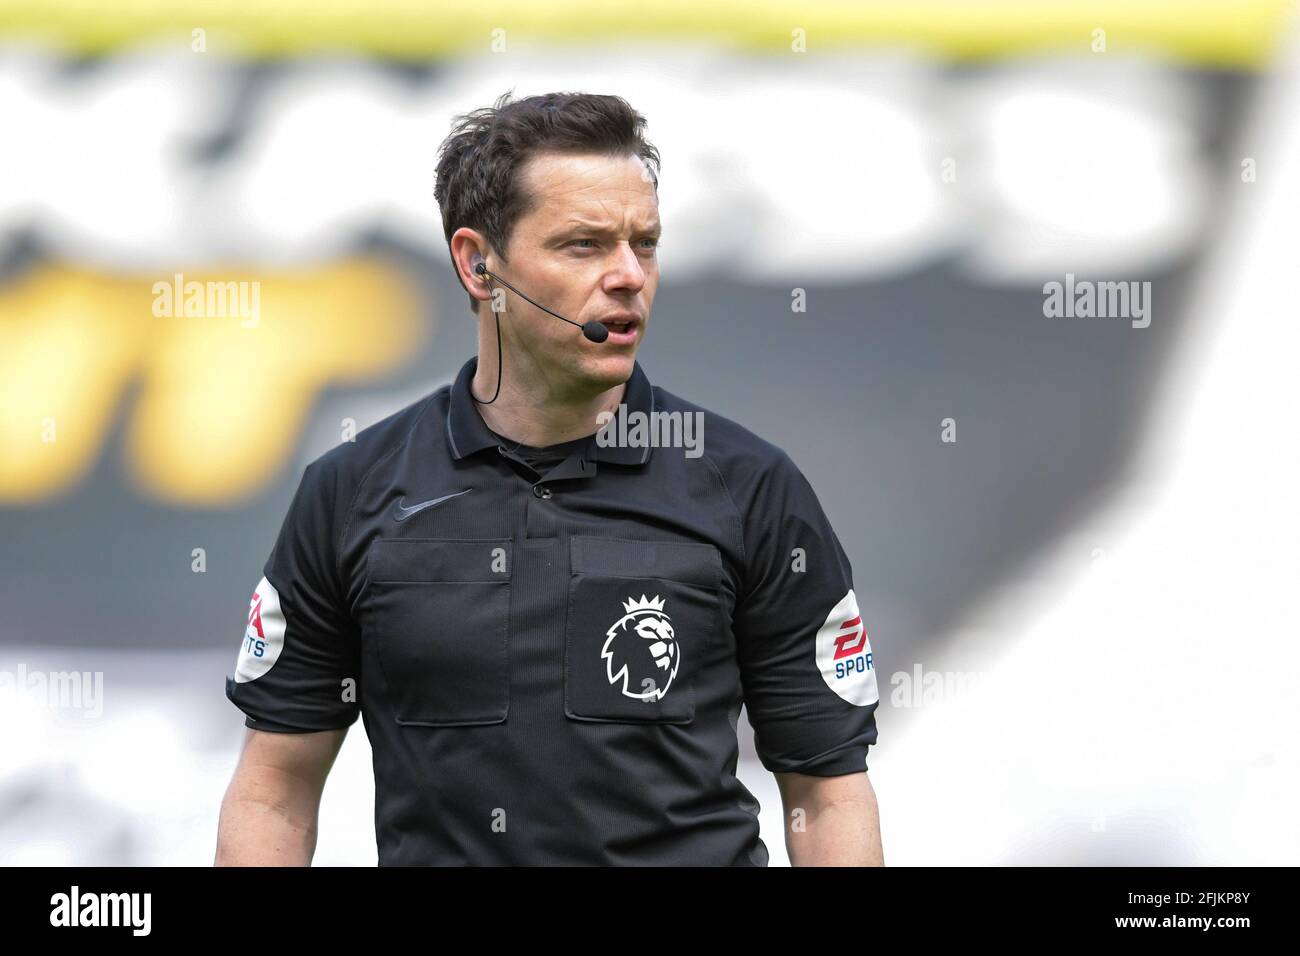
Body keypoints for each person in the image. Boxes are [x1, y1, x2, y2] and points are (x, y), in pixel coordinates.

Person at [216, 91, 882, 866]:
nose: (629, 276)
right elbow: (275, 793)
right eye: (584, 245)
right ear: (478, 265)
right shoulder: (352, 492)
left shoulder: (751, 487)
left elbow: (827, 792)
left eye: (646, 243)